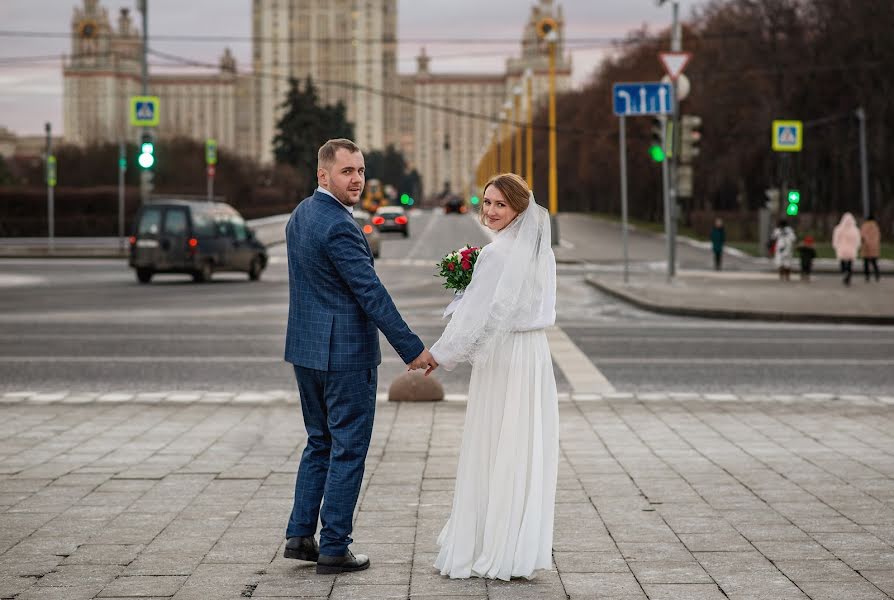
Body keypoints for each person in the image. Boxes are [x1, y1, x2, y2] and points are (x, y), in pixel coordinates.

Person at [283, 138, 437, 575]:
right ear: (323, 175)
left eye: (360, 171)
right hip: (345, 356)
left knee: (319, 442)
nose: (356, 179)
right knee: (348, 449)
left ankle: (299, 534)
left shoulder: (300, 215)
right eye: (347, 171)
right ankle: (333, 545)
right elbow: (369, 292)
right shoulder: (339, 225)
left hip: (306, 351)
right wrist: (412, 348)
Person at [430, 173, 558, 581]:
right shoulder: (542, 253)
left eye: (500, 204)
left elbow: (476, 318)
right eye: (487, 202)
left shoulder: (497, 254)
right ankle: (517, 546)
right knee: (520, 447)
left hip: (504, 358)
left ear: (519, 209)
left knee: (493, 443)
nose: (490, 211)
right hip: (533, 355)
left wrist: (436, 356)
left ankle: (489, 545)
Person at [832, 212, 861, 287]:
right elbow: (857, 240)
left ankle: (845, 273)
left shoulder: (838, 228)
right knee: (850, 264)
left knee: (842, 263)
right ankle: (848, 275)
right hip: (851, 249)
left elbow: (836, 238)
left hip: (842, 249)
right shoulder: (855, 230)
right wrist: (857, 246)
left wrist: (835, 246)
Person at [860, 214, 881, 282]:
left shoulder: (864, 226)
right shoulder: (876, 226)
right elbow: (878, 236)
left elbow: (862, 235)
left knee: (866, 263)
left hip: (866, 247)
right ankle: (877, 274)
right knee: (874, 262)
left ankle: (867, 276)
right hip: (874, 247)